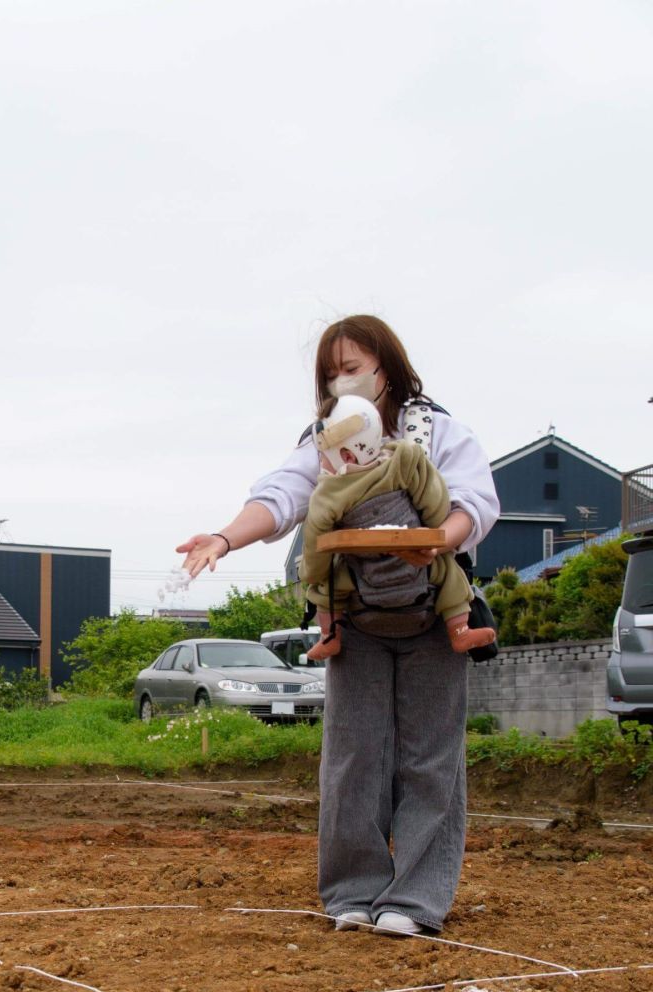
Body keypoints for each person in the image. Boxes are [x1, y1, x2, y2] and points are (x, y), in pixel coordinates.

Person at [177, 315, 499, 937]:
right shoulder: (324, 440)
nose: (341, 382)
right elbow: (281, 497)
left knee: (430, 759)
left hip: (434, 611)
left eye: (352, 368)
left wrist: (436, 543)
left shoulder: (437, 433)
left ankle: (414, 902)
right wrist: (223, 537)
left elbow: (473, 503)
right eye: (330, 374)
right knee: (353, 756)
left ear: (387, 369)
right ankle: (353, 891)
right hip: (355, 618)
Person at [298, 393, 497, 661]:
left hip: (362, 572)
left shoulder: (328, 493)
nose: (321, 464)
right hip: (418, 565)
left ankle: (329, 634)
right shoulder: (403, 459)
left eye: (323, 456)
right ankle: (459, 628)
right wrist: (433, 527)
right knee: (451, 576)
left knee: (327, 586)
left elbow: (315, 545)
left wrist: (310, 573)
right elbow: (434, 498)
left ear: (346, 452)